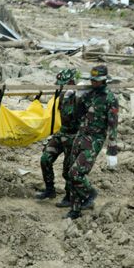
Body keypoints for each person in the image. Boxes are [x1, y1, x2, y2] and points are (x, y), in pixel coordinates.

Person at [64, 65, 119, 219]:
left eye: (97, 80)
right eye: (92, 80)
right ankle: (75, 210)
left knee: (76, 173)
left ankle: (90, 192)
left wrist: (112, 149)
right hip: (80, 136)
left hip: (94, 140)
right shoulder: (89, 95)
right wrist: (75, 97)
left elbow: (113, 125)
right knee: (70, 172)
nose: (94, 83)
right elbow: (75, 115)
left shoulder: (110, 99)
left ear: (104, 80)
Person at [35, 69, 83, 207]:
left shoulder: (80, 98)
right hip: (61, 133)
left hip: (74, 136)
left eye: (63, 84)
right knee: (45, 159)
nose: (60, 87)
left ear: (71, 82)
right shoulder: (61, 96)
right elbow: (56, 117)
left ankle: (69, 196)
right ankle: (50, 190)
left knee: (68, 169)